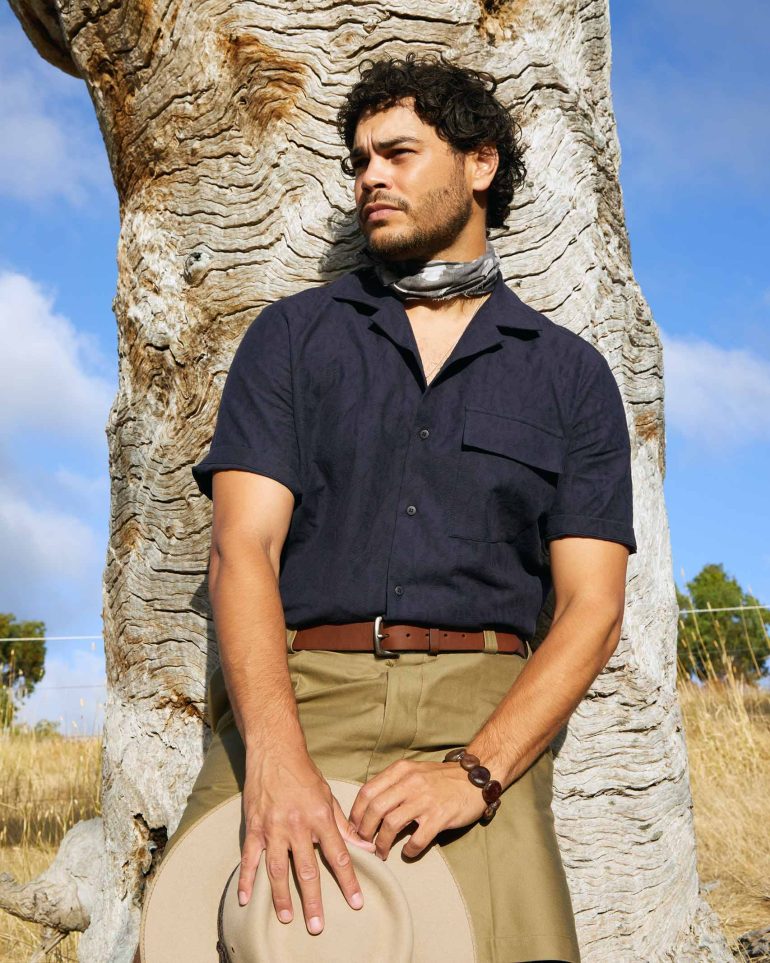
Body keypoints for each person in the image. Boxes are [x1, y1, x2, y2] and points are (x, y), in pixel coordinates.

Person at [141, 52, 637, 963]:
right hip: (301, 693)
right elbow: (241, 551)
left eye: (399, 153)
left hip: (481, 709)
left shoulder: (570, 375)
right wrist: (277, 765)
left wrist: (475, 776)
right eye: (360, 159)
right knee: (190, 935)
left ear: (479, 164)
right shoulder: (291, 338)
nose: (370, 175)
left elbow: (592, 608)